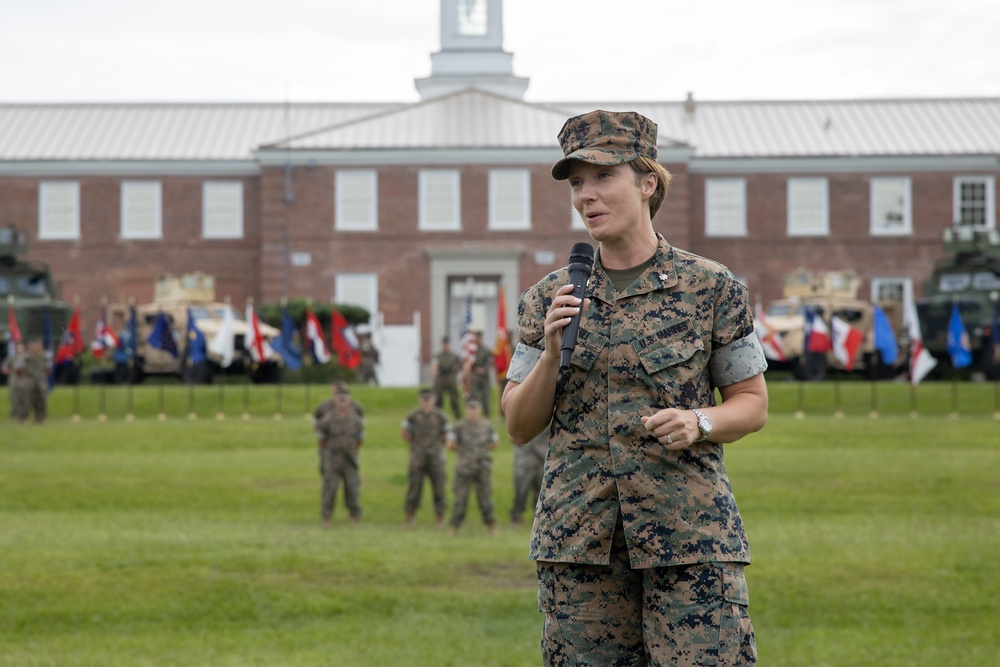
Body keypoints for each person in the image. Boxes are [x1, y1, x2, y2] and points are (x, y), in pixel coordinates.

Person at [502, 110, 769, 666]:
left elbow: (751, 403)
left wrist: (700, 421)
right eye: (576, 183)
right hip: (581, 546)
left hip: (690, 540)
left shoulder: (711, 287)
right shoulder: (546, 298)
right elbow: (518, 424)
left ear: (648, 182)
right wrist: (551, 354)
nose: (586, 196)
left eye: (603, 177)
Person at [313, 383, 365, 525]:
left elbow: (360, 437)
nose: (342, 402)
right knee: (330, 488)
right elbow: (320, 434)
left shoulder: (355, 420)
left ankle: (354, 516)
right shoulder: (328, 418)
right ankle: (326, 517)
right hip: (332, 458)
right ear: (335, 401)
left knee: (352, 488)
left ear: (349, 401)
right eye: (339, 399)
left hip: (350, 459)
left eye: (345, 399)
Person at [445, 399, 498, 536]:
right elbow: (450, 444)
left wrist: (481, 452)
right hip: (464, 467)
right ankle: (454, 528)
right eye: (470, 408)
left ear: (479, 409)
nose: (473, 411)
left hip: (482, 466)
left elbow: (494, 443)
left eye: (475, 408)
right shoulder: (459, 426)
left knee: (485, 498)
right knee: (460, 498)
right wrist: (465, 451)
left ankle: (491, 527)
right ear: (466, 410)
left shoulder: (487, 425)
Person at [401, 387, 451, 525]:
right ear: (420, 400)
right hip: (418, 456)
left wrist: (439, 445)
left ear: (434, 400)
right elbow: (404, 432)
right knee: (414, 486)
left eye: (429, 399)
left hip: (435, 456)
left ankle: (440, 516)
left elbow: (447, 434)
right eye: (424, 399)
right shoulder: (413, 416)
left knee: (438, 486)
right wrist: (415, 444)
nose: (427, 402)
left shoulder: (440, 416)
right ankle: (410, 515)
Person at [509, 428, 548, 525]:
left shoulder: (549, 416)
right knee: (521, 491)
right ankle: (516, 518)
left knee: (541, 492)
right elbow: (512, 436)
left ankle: (539, 519)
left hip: (542, 460)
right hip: (526, 461)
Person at [432, 336, 463, 418]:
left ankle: (458, 417)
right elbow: (434, 366)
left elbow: (460, 365)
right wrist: (435, 373)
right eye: (444, 344)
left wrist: (455, 371)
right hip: (441, 379)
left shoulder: (454, 356)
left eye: (447, 344)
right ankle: (437, 417)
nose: (445, 346)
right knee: (438, 399)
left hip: (451, 379)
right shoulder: (438, 356)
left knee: (454, 400)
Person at [466, 331, 494, 417]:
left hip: (484, 376)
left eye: (479, 338)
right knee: (473, 395)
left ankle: (486, 415)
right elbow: (468, 362)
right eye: (476, 338)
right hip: (475, 375)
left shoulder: (486, 350)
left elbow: (490, 361)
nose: (478, 339)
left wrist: (484, 369)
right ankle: (473, 413)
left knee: (485, 395)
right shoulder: (472, 350)